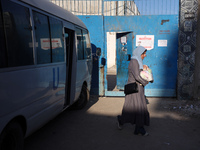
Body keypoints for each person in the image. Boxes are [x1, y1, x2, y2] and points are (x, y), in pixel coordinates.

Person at [117, 46, 150, 136]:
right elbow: (137, 76)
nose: (145, 55)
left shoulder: (137, 61)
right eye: (144, 53)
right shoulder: (134, 61)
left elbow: (138, 72)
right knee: (136, 108)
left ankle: (136, 126)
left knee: (134, 108)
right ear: (139, 54)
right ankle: (138, 127)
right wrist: (147, 81)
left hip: (138, 88)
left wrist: (143, 68)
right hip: (134, 89)